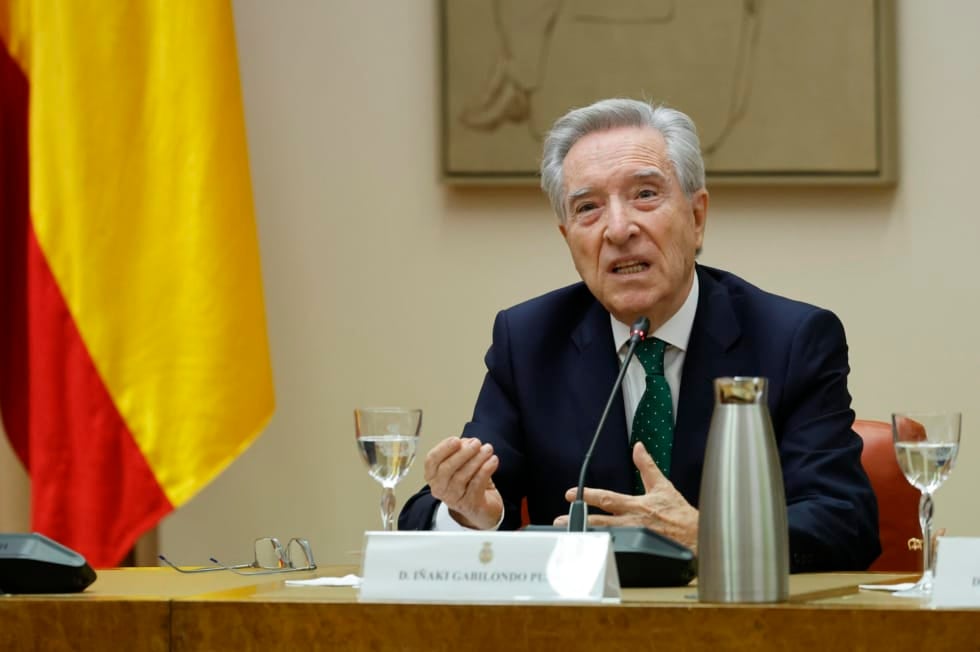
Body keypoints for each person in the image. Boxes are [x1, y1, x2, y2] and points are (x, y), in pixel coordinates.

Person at [399, 98, 880, 571]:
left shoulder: (790, 340)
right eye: (588, 207)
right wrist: (471, 515)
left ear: (697, 217)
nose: (618, 228)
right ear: (568, 238)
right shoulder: (529, 341)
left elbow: (845, 521)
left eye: (645, 194)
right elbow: (430, 512)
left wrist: (707, 536)